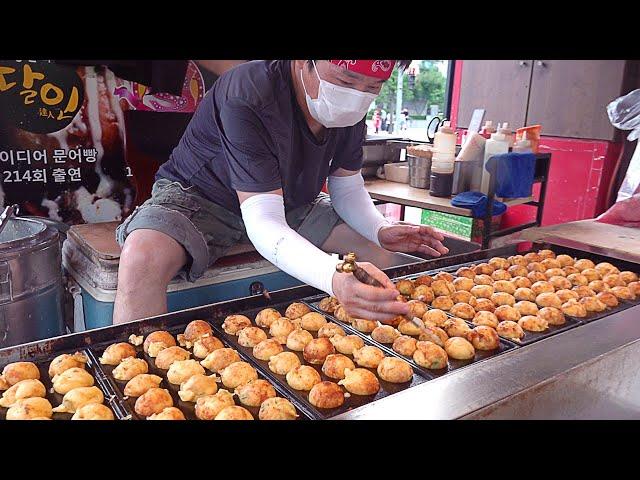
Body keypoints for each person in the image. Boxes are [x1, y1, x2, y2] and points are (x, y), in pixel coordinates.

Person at [113, 60, 448, 325]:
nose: (357, 96)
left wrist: (380, 230)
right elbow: (262, 221)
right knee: (142, 256)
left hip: (287, 199)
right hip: (200, 197)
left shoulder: (350, 110)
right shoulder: (248, 91)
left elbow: (346, 187)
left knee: (381, 255)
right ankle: (135, 376)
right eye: (346, 81)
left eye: (373, 87)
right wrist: (333, 277)